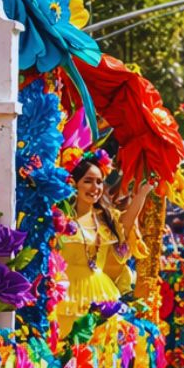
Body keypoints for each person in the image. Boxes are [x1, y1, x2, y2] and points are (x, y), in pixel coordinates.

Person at [47, 146, 152, 340]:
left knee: (97, 349)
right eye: (87, 181)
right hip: (66, 293)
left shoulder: (106, 218)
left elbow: (126, 225)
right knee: (64, 345)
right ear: (74, 184)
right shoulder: (60, 217)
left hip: (101, 292)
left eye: (99, 182)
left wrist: (142, 194)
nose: (95, 188)